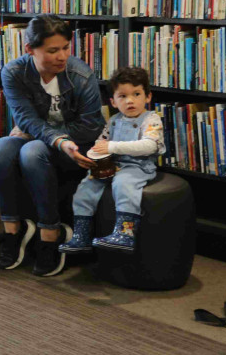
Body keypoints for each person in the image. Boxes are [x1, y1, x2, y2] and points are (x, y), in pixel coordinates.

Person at [0, 15, 104, 277]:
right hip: (44, 139)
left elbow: (89, 127)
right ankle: (13, 232)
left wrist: (54, 138)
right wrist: (50, 137)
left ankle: (51, 234)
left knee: (32, 150)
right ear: (29, 49)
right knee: (0, 150)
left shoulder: (80, 75)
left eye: (65, 47)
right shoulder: (14, 72)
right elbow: (25, 118)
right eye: (52, 50)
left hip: (78, 147)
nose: (62, 56)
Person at [60, 67, 165, 254]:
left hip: (138, 167)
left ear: (148, 97)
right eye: (122, 96)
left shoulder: (151, 120)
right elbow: (102, 140)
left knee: (123, 184)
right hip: (112, 166)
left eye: (137, 94)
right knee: (85, 186)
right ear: (113, 102)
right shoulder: (114, 120)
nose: (130, 100)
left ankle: (125, 233)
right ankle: (82, 235)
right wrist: (95, 154)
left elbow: (149, 146)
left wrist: (112, 147)